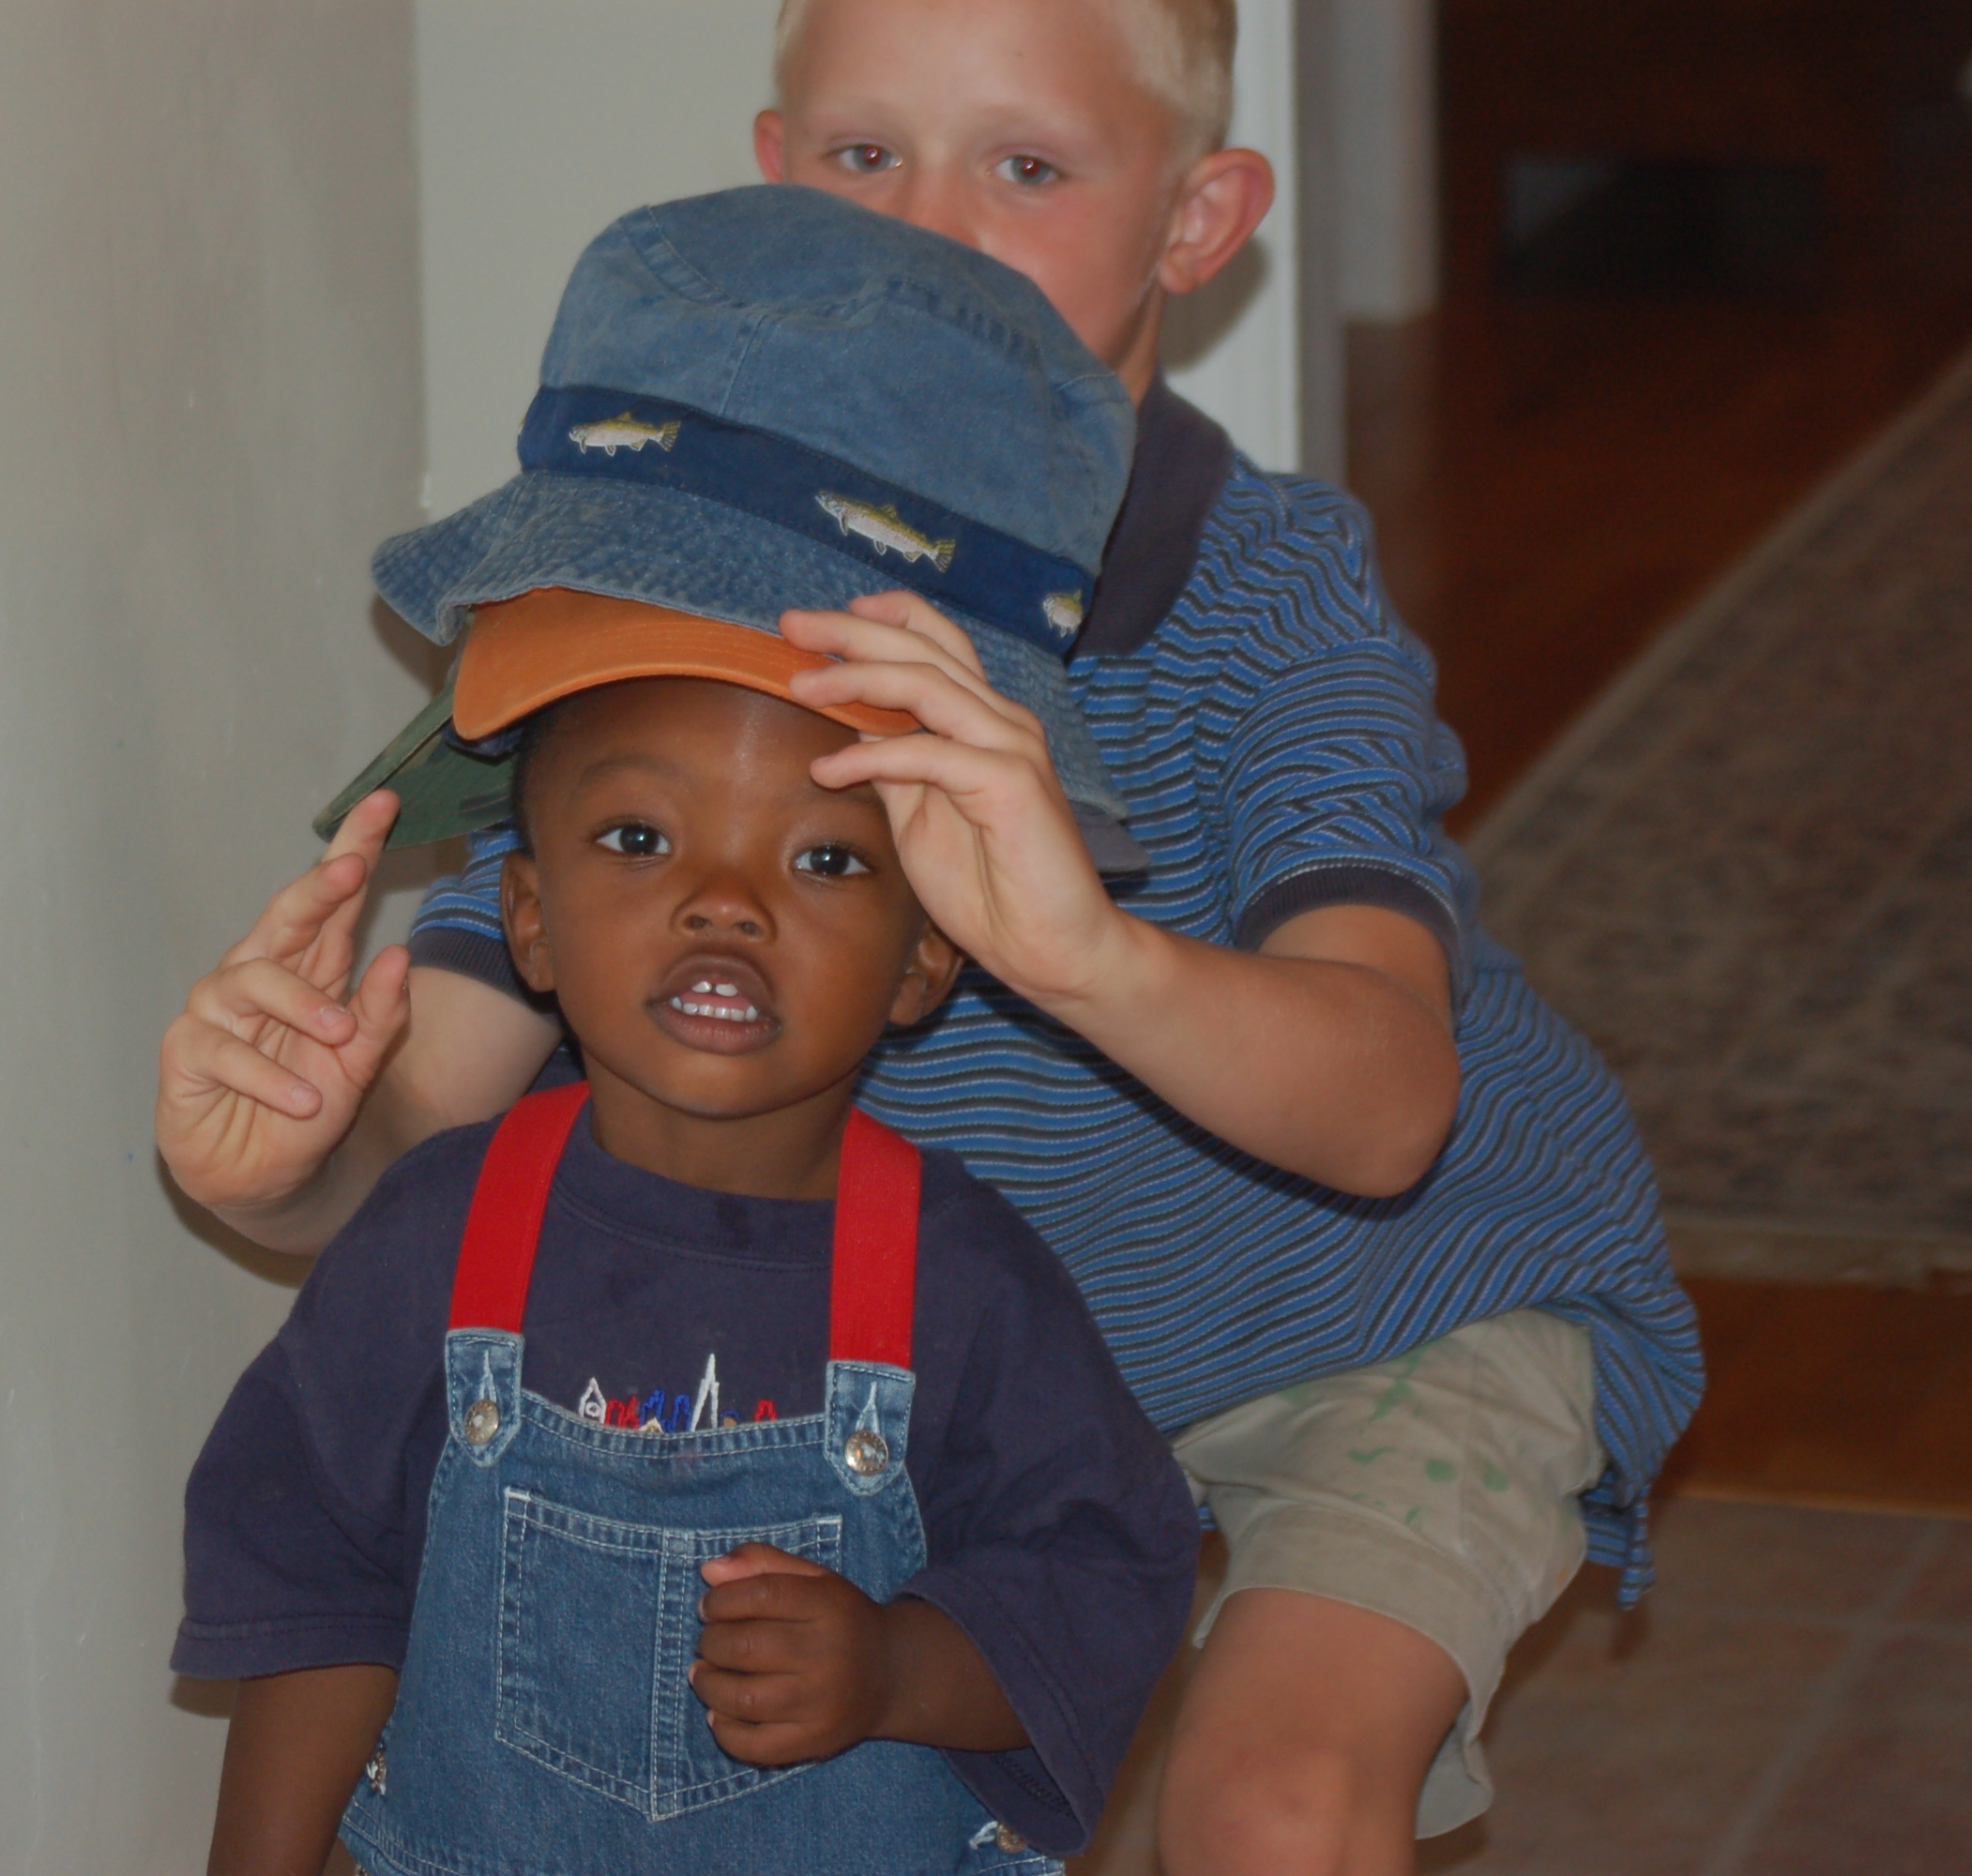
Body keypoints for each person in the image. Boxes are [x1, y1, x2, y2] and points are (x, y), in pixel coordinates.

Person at [162, 5, 1704, 1871]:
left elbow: (1388, 1114)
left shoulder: (1267, 590)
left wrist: (1084, 954)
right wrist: (289, 1161)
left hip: (1374, 1308)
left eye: (1027, 167)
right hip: (971, 1347)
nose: (926, 233)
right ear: (774, 168)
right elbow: (434, 1147)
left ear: (1200, 220)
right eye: (864, 156)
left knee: (1273, 1808)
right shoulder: (670, 557)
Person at [172, 194, 1195, 1876]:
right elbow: (315, 1579)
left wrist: (901, 1666)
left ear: (930, 955)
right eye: (640, 840)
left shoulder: (968, 1285)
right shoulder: (433, 1242)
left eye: (826, 861)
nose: (725, 906)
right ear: (526, 919)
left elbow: (1109, 1570)